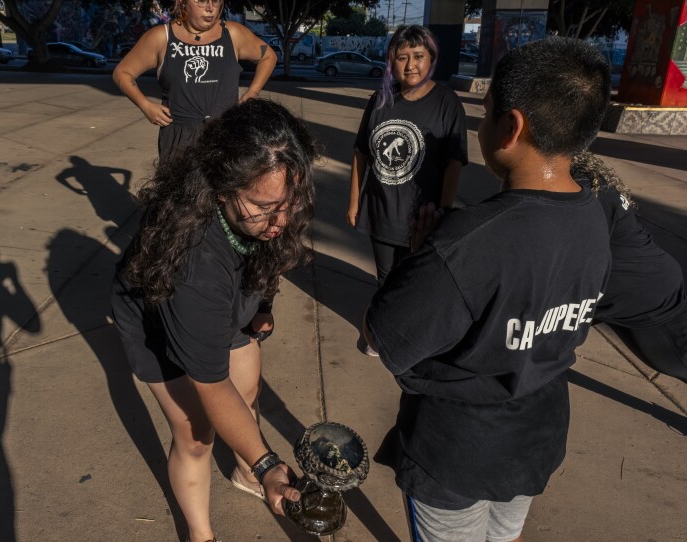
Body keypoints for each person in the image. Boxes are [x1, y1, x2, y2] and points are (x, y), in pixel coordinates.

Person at [364, 37, 612, 542]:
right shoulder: (596, 217)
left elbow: (381, 337)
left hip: (457, 450)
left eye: (487, 111)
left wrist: (418, 259)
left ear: (511, 126)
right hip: (535, 438)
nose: (480, 123)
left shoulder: (466, 244)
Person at [110, 99, 313, 542]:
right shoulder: (193, 263)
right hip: (157, 320)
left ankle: (242, 472)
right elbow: (212, 385)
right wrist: (268, 465)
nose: (281, 220)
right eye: (265, 207)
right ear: (221, 190)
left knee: (250, 387)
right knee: (197, 432)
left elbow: (270, 254)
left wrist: (263, 307)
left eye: (289, 202)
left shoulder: (270, 210)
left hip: (226, 300)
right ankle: (202, 535)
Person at [571, 151, 687, 468]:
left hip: (654, 308)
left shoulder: (581, 191)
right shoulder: (587, 180)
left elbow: (576, 260)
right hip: (633, 299)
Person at [347, 25, 467, 291]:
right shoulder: (381, 100)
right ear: (392, 62)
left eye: (418, 56)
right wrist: (354, 202)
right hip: (381, 212)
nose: (410, 65)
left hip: (423, 219)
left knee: (415, 286)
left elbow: (453, 164)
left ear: (431, 58)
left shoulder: (447, 102)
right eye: (402, 57)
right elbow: (361, 153)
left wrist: (443, 214)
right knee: (385, 282)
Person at [112, 0, 277, 160]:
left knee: (225, 188)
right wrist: (146, 106)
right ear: (182, 2)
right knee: (180, 188)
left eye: (216, 1)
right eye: (201, 1)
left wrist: (252, 93)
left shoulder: (233, 34)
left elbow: (268, 56)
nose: (210, 8)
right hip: (179, 138)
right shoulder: (162, 37)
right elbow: (122, 73)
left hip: (226, 135)